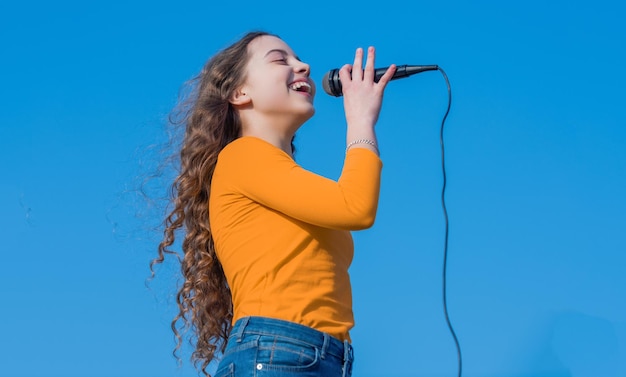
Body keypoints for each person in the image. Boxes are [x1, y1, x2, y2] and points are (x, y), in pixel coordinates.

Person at [151, 30, 396, 377]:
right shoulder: (242, 156)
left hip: (319, 356)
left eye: (298, 59)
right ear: (240, 93)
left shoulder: (281, 178)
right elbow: (355, 206)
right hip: (280, 351)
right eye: (281, 60)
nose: (304, 66)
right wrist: (360, 121)